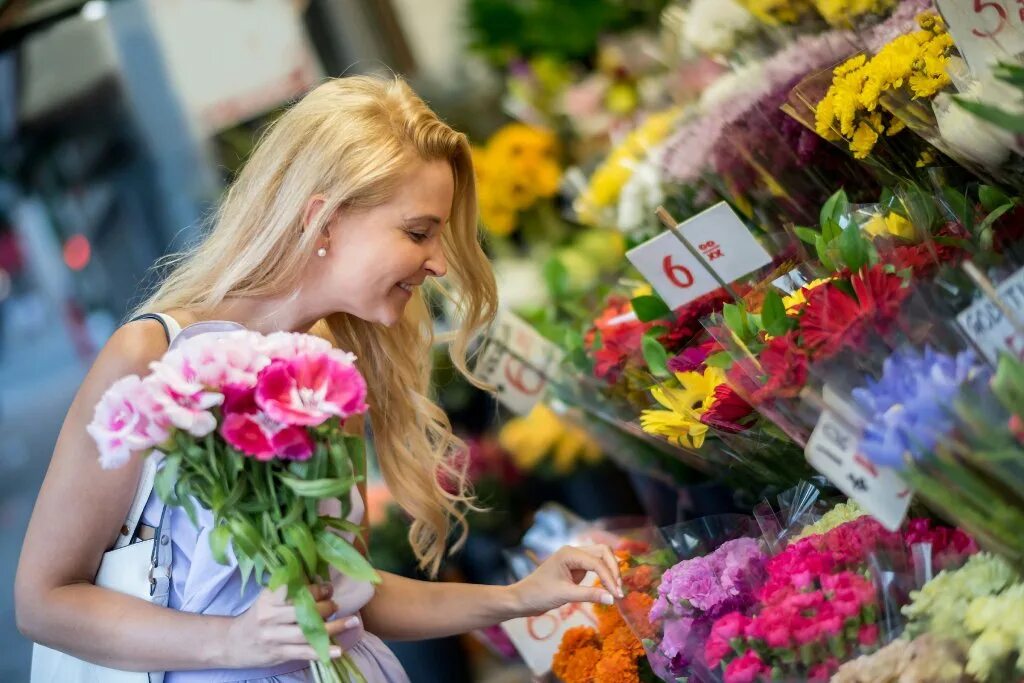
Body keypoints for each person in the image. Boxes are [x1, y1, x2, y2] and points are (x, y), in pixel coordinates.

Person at [15, 76, 623, 682]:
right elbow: (43, 601)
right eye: (418, 232)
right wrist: (233, 643)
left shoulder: (326, 373)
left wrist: (520, 596)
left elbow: (355, 595)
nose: (439, 261)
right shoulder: (150, 355)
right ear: (323, 221)